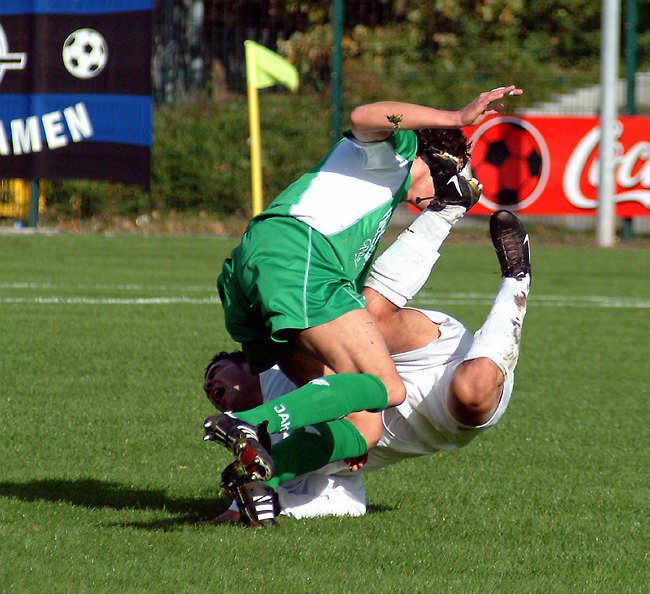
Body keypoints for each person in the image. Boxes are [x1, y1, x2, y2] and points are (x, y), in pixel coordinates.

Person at [204, 88, 523, 496]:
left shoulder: (372, 212)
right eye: (450, 180)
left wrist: (344, 435)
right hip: (298, 255)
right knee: (389, 387)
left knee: (363, 424)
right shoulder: (397, 150)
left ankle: (253, 485)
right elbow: (363, 115)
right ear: (442, 161)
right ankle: (253, 424)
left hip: (251, 278)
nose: (432, 204)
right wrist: (457, 118)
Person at [206, 208, 532, 526]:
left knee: (364, 322)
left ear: (245, 363)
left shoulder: (279, 360)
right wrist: (252, 498)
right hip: (432, 416)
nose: (211, 390)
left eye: (215, 373)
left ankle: (451, 214)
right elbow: (347, 501)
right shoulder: (273, 447)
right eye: (209, 393)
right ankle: (513, 279)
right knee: (471, 390)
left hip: (407, 357)